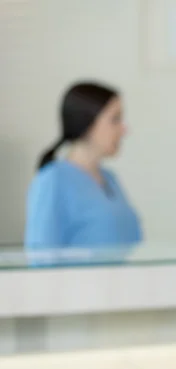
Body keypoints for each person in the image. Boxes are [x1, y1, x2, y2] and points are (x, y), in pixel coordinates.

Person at [24, 82, 142, 249]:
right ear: (88, 123)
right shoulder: (52, 181)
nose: (124, 129)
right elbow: (40, 259)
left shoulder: (110, 180)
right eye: (115, 119)